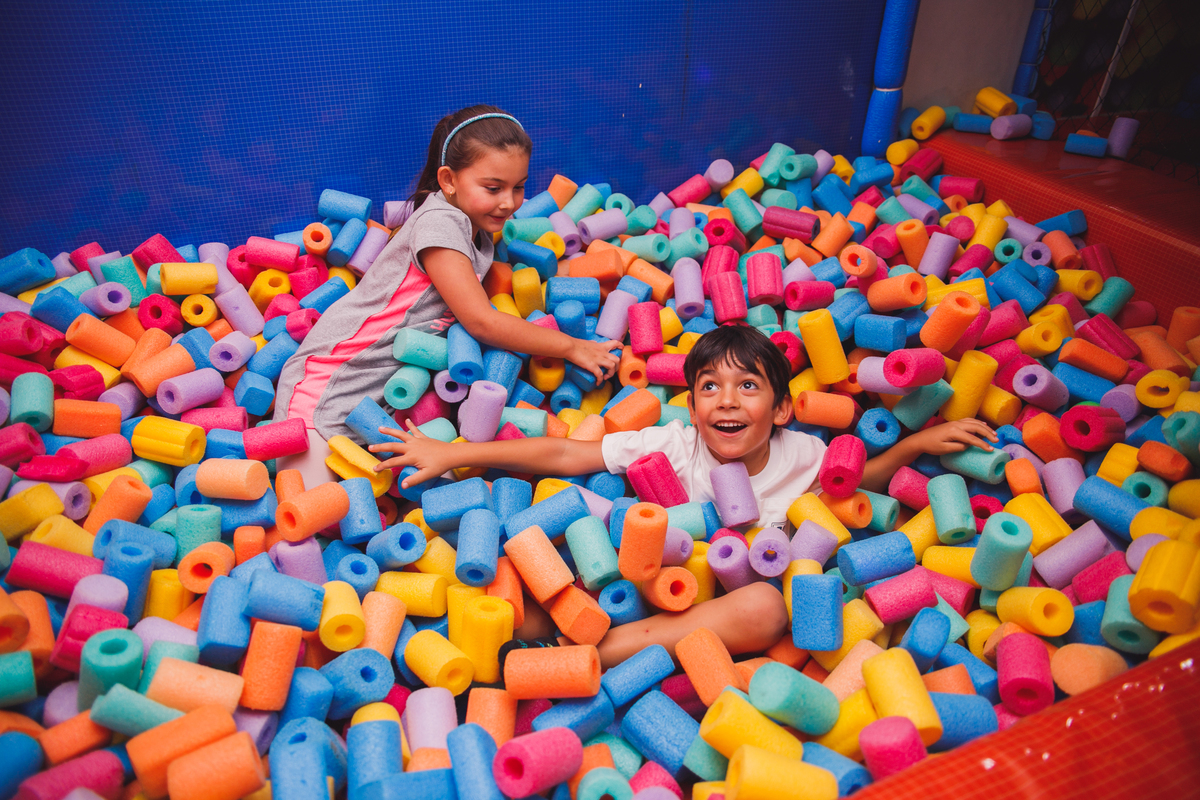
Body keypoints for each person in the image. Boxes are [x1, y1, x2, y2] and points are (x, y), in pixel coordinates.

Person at [371, 324, 999, 667]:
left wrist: (920, 443)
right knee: (531, 583)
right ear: (693, 404)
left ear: (781, 410)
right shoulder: (672, 443)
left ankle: (598, 656)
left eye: (748, 387)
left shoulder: (802, 456)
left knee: (767, 609)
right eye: (709, 388)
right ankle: (525, 647)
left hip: (712, 602)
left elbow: (861, 481)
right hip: (633, 581)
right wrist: (452, 453)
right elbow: (564, 454)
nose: (727, 400)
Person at [272, 104, 620, 449]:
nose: (510, 203)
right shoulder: (439, 223)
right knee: (313, 503)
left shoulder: (476, 223)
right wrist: (574, 347)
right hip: (327, 387)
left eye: (518, 187)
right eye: (493, 188)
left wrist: (595, 274)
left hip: (376, 407)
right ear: (449, 180)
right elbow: (482, 323)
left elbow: (519, 276)